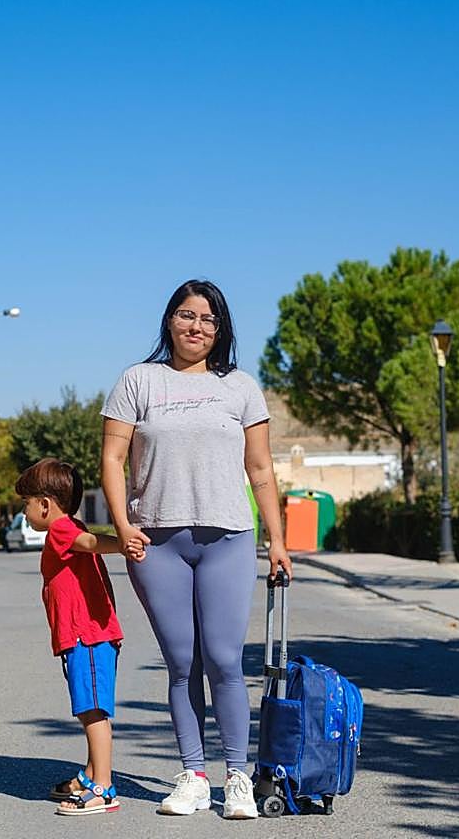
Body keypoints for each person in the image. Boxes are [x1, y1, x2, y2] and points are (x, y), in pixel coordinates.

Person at [100, 279, 292, 820]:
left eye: (208, 320)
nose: (196, 327)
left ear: (220, 329)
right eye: (187, 316)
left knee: (226, 661)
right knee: (182, 662)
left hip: (228, 537)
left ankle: (236, 776)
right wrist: (122, 525)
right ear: (169, 321)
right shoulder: (138, 381)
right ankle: (192, 775)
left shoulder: (241, 388)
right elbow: (113, 459)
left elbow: (260, 469)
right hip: (156, 540)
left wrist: (277, 540)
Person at [14, 457, 142, 816]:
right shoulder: (69, 528)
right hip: (87, 637)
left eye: (26, 504)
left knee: (93, 711)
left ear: (45, 504)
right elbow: (89, 548)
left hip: (86, 637)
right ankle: (90, 774)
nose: (24, 512)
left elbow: (88, 542)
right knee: (91, 708)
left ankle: (102, 787)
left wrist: (122, 542)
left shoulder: (61, 530)